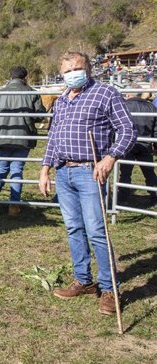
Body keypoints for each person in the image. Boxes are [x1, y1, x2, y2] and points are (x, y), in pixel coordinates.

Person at [39, 51, 136, 316]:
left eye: (77, 68)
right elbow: (53, 136)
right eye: (67, 70)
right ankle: (83, 280)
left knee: (96, 230)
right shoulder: (61, 100)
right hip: (63, 172)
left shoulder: (105, 93)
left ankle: (109, 289)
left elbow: (128, 129)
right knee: (73, 228)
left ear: (88, 69)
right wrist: (45, 169)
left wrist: (110, 158)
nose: (72, 73)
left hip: (89, 171)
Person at [0, 66, 45, 216]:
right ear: (25, 77)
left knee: (2, 166)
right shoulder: (32, 93)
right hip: (23, 137)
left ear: (10, 77)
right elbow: (40, 115)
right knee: (17, 169)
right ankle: (14, 205)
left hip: (2, 136)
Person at [117, 85, 157, 207]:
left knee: (125, 172)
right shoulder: (151, 107)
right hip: (145, 144)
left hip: (128, 144)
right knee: (149, 172)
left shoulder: (123, 107)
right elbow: (156, 129)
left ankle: (123, 198)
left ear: (128, 94)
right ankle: (155, 196)